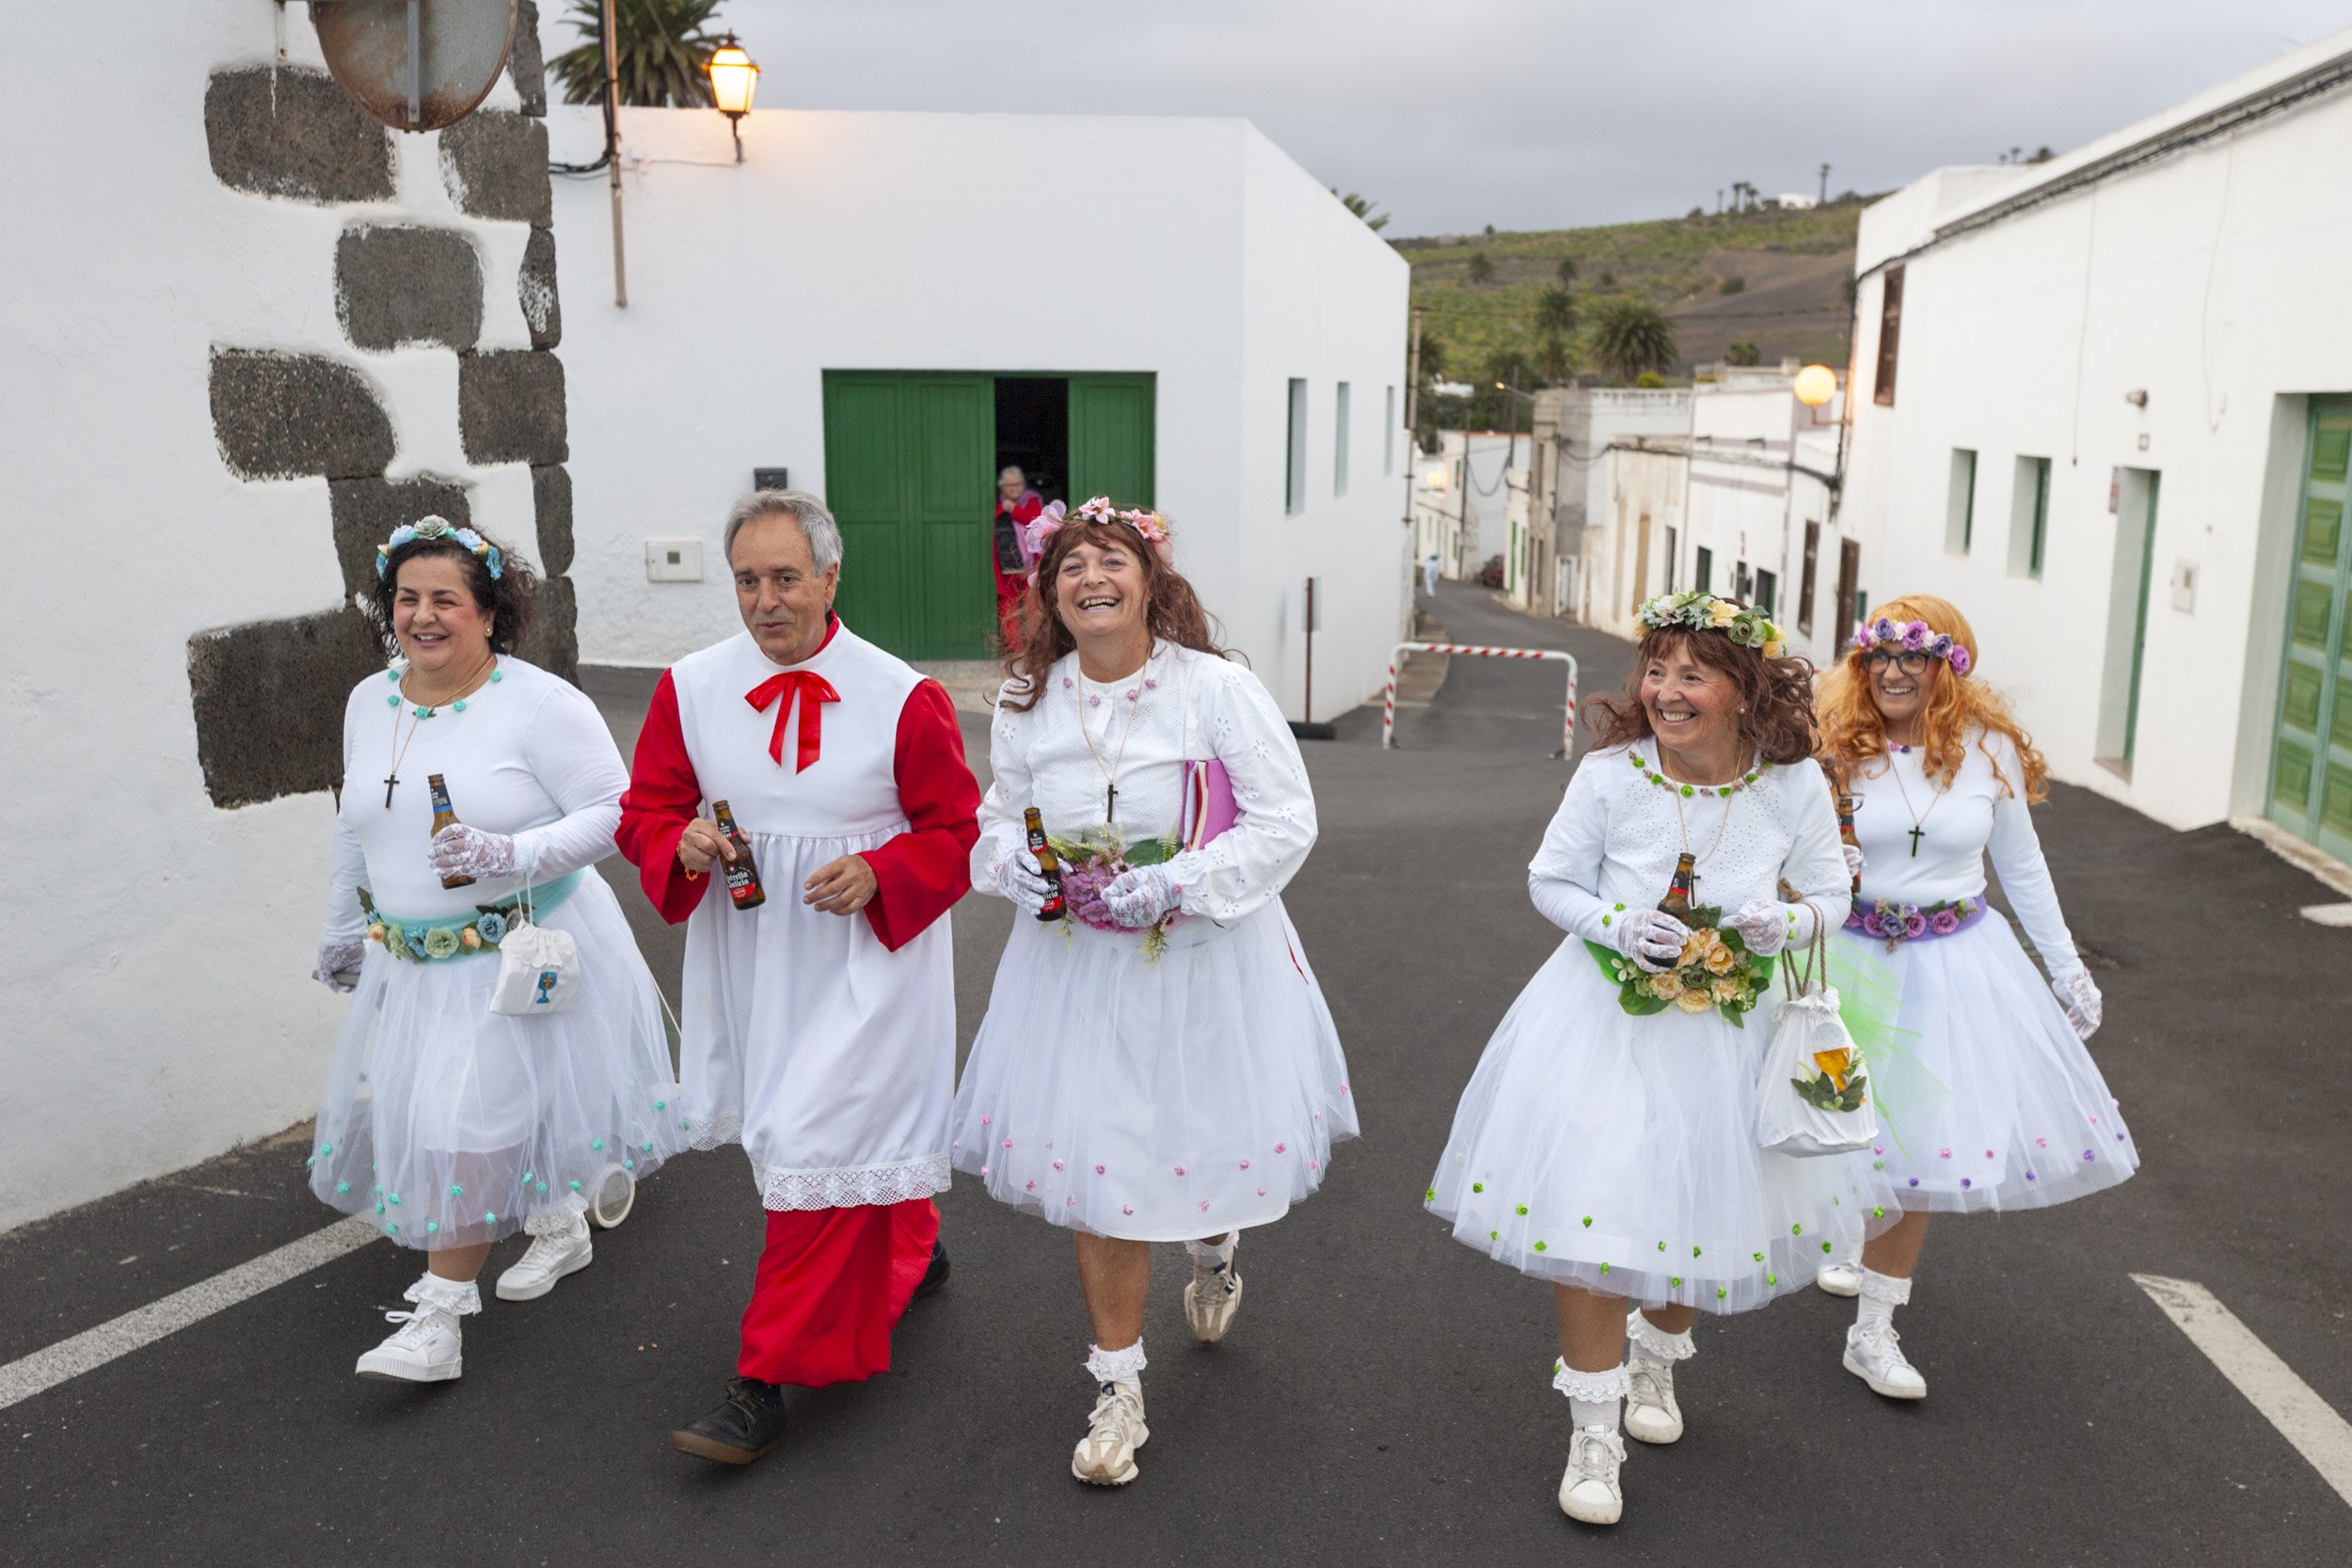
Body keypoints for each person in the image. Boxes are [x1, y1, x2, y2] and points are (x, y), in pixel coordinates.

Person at [1426, 590, 1893, 1527]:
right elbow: (1549, 878)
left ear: (1744, 688)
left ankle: (1657, 1354)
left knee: (1691, 1221)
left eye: (1692, 673)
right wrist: (1612, 921)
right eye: (1656, 669)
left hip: (1730, 1033)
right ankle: (1591, 1433)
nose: (1666, 691)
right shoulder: (1610, 777)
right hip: (1601, 1022)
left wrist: (1784, 918)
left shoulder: (1793, 785)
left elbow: (1835, 895)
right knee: (1594, 1219)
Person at [951, 496, 1357, 1487]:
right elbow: (996, 824)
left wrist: (1170, 883)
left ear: (1149, 579)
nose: (1092, 576)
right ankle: (1118, 1387)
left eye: (1111, 558)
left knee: (1192, 1139)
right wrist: (1024, 872)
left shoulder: (1214, 688)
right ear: (1048, 591)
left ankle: (1213, 1243)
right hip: (1075, 969)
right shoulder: (1023, 701)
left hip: (1205, 954)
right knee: (1106, 1168)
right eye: (1070, 564)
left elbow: (1283, 821)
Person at [616, 489, 981, 1465]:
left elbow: (954, 830)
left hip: (866, 962)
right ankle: (911, 1242)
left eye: (785, 577)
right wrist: (678, 840)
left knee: (811, 1151)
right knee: (816, 1137)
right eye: (747, 579)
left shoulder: (902, 694)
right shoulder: (691, 686)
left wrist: (883, 869)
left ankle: (763, 1380)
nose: (765, 599)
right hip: (752, 957)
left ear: (830, 574)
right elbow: (645, 807)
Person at [310, 515, 683, 1383]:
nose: (423, 616)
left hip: (520, 950)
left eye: (446, 598)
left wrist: (508, 854)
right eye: (407, 599)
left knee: (463, 1119)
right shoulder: (372, 699)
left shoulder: (541, 703)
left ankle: (440, 1318)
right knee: (463, 1109)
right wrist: (340, 923)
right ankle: (557, 1221)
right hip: (413, 959)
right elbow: (355, 821)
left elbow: (614, 811)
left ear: (489, 611)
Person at [1811, 596, 2136, 1398]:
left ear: (1947, 666)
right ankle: (1837, 1228)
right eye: (1878, 655)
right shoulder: (1834, 749)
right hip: (1845, 960)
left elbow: (2023, 870)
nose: (1891, 671)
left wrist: (2066, 968)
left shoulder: (1987, 751)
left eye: (1911, 656)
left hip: (1951, 966)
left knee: (1914, 1147)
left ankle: (1875, 1331)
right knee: (1827, 1120)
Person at [993, 465, 1045, 646]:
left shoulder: (1031, 501)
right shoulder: (996, 504)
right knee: (1008, 607)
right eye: (1010, 486)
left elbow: (1036, 521)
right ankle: (1014, 646)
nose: (1015, 489)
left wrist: (1014, 509)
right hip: (1006, 566)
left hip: (1030, 565)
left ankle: (1034, 644)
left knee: (1033, 604)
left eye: (1018, 484)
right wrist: (1004, 509)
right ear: (1001, 487)